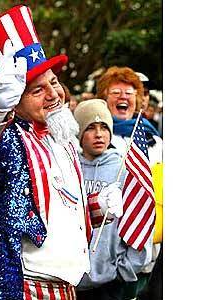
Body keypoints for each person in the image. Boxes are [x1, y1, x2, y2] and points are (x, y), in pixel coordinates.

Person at [0, 5, 123, 299]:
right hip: (22, 289)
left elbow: (62, 210)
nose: (53, 94)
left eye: (54, 82)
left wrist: (100, 207)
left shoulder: (65, 140)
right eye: (37, 90)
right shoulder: (6, 136)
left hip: (68, 287)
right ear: (14, 100)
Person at [73, 99, 152, 300]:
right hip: (73, 278)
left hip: (111, 281)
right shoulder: (70, 167)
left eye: (104, 128)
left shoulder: (124, 169)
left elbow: (142, 217)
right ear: (80, 133)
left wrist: (124, 269)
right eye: (91, 128)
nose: (99, 134)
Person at [96, 66, 163, 299]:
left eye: (130, 92)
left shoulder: (154, 141)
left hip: (146, 243)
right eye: (115, 91)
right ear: (103, 98)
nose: (123, 96)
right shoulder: (96, 138)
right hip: (106, 247)